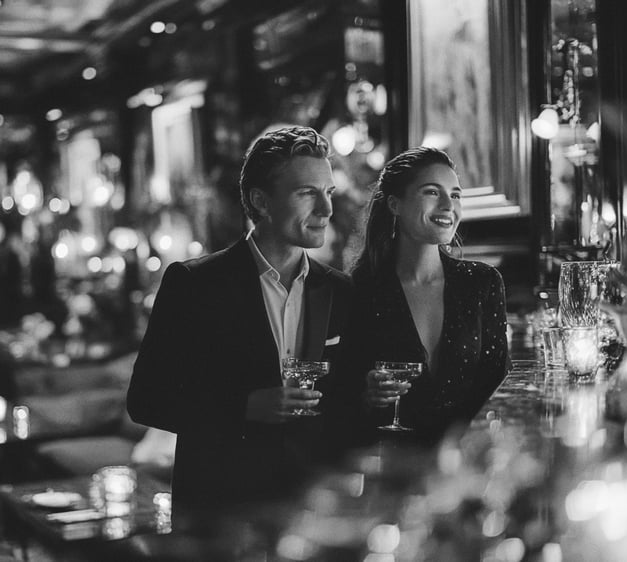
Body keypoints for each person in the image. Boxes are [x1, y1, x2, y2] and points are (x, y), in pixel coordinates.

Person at [127, 126, 352, 511]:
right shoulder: (194, 283)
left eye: (328, 192)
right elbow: (147, 400)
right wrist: (243, 407)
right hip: (220, 508)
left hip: (311, 507)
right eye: (307, 193)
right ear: (261, 202)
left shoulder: (341, 291)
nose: (326, 210)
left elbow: (344, 405)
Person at [334, 147, 508, 444]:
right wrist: (369, 395)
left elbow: (498, 383)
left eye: (455, 195)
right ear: (395, 204)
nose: (447, 205)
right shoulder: (361, 288)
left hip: (465, 461)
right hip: (390, 462)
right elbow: (343, 396)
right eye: (432, 192)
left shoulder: (482, 282)